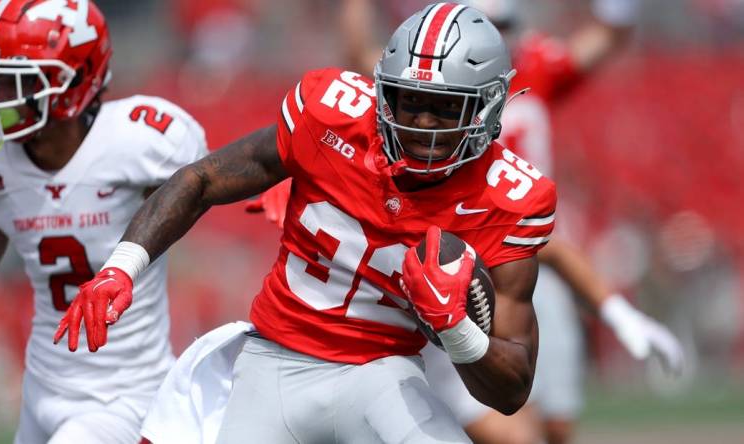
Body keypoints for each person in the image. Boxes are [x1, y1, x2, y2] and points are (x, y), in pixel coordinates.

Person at [56, 3, 557, 443]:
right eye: (412, 101)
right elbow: (202, 180)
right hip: (274, 365)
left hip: (382, 377)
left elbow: (512, 390)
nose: (422, 124)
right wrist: (120, 267)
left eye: (448, 108)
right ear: (385, 92)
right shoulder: (330, 115)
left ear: (488, 110)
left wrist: (457, 331)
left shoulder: (510, 197)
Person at [278, 1, 680, 443]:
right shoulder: (424, 103)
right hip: (442, 264)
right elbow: (370, 66)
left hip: (517, 255)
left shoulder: (533, 76)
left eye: (504, 27)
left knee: (549, 420)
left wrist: (616, 311)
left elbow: (606, 37)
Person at [0, 1, 208, 443]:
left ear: (69, 84)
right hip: (42, 388)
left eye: (13, 83)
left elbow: (206, 181)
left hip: (123, 394)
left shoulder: (139, 141)